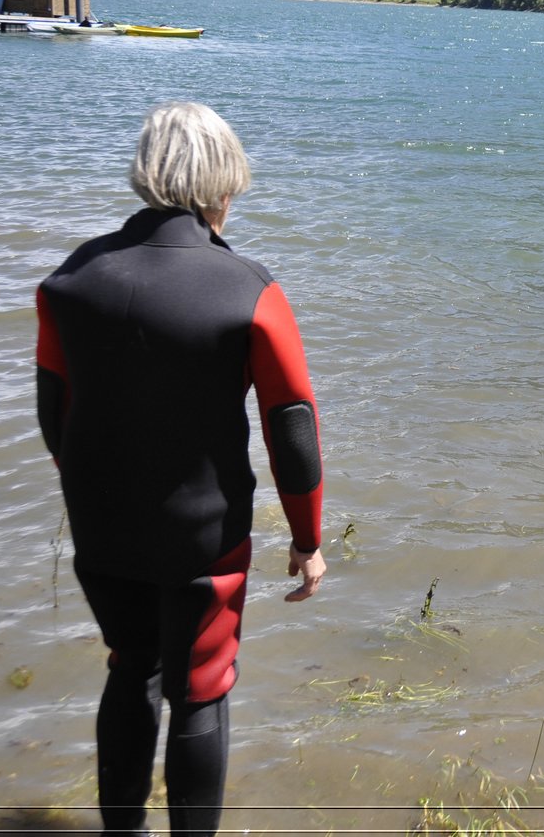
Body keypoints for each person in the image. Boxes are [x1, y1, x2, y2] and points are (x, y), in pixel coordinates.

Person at [35, 102, 326, 836]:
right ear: (220, 183)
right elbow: (292, 424)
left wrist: (100, 495)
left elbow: (53, 417)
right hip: (205, 539)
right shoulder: (249, 289)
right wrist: (308, 537)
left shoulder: (68, 280)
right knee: (200, 691)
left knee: (130, 666)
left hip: (103, 532)